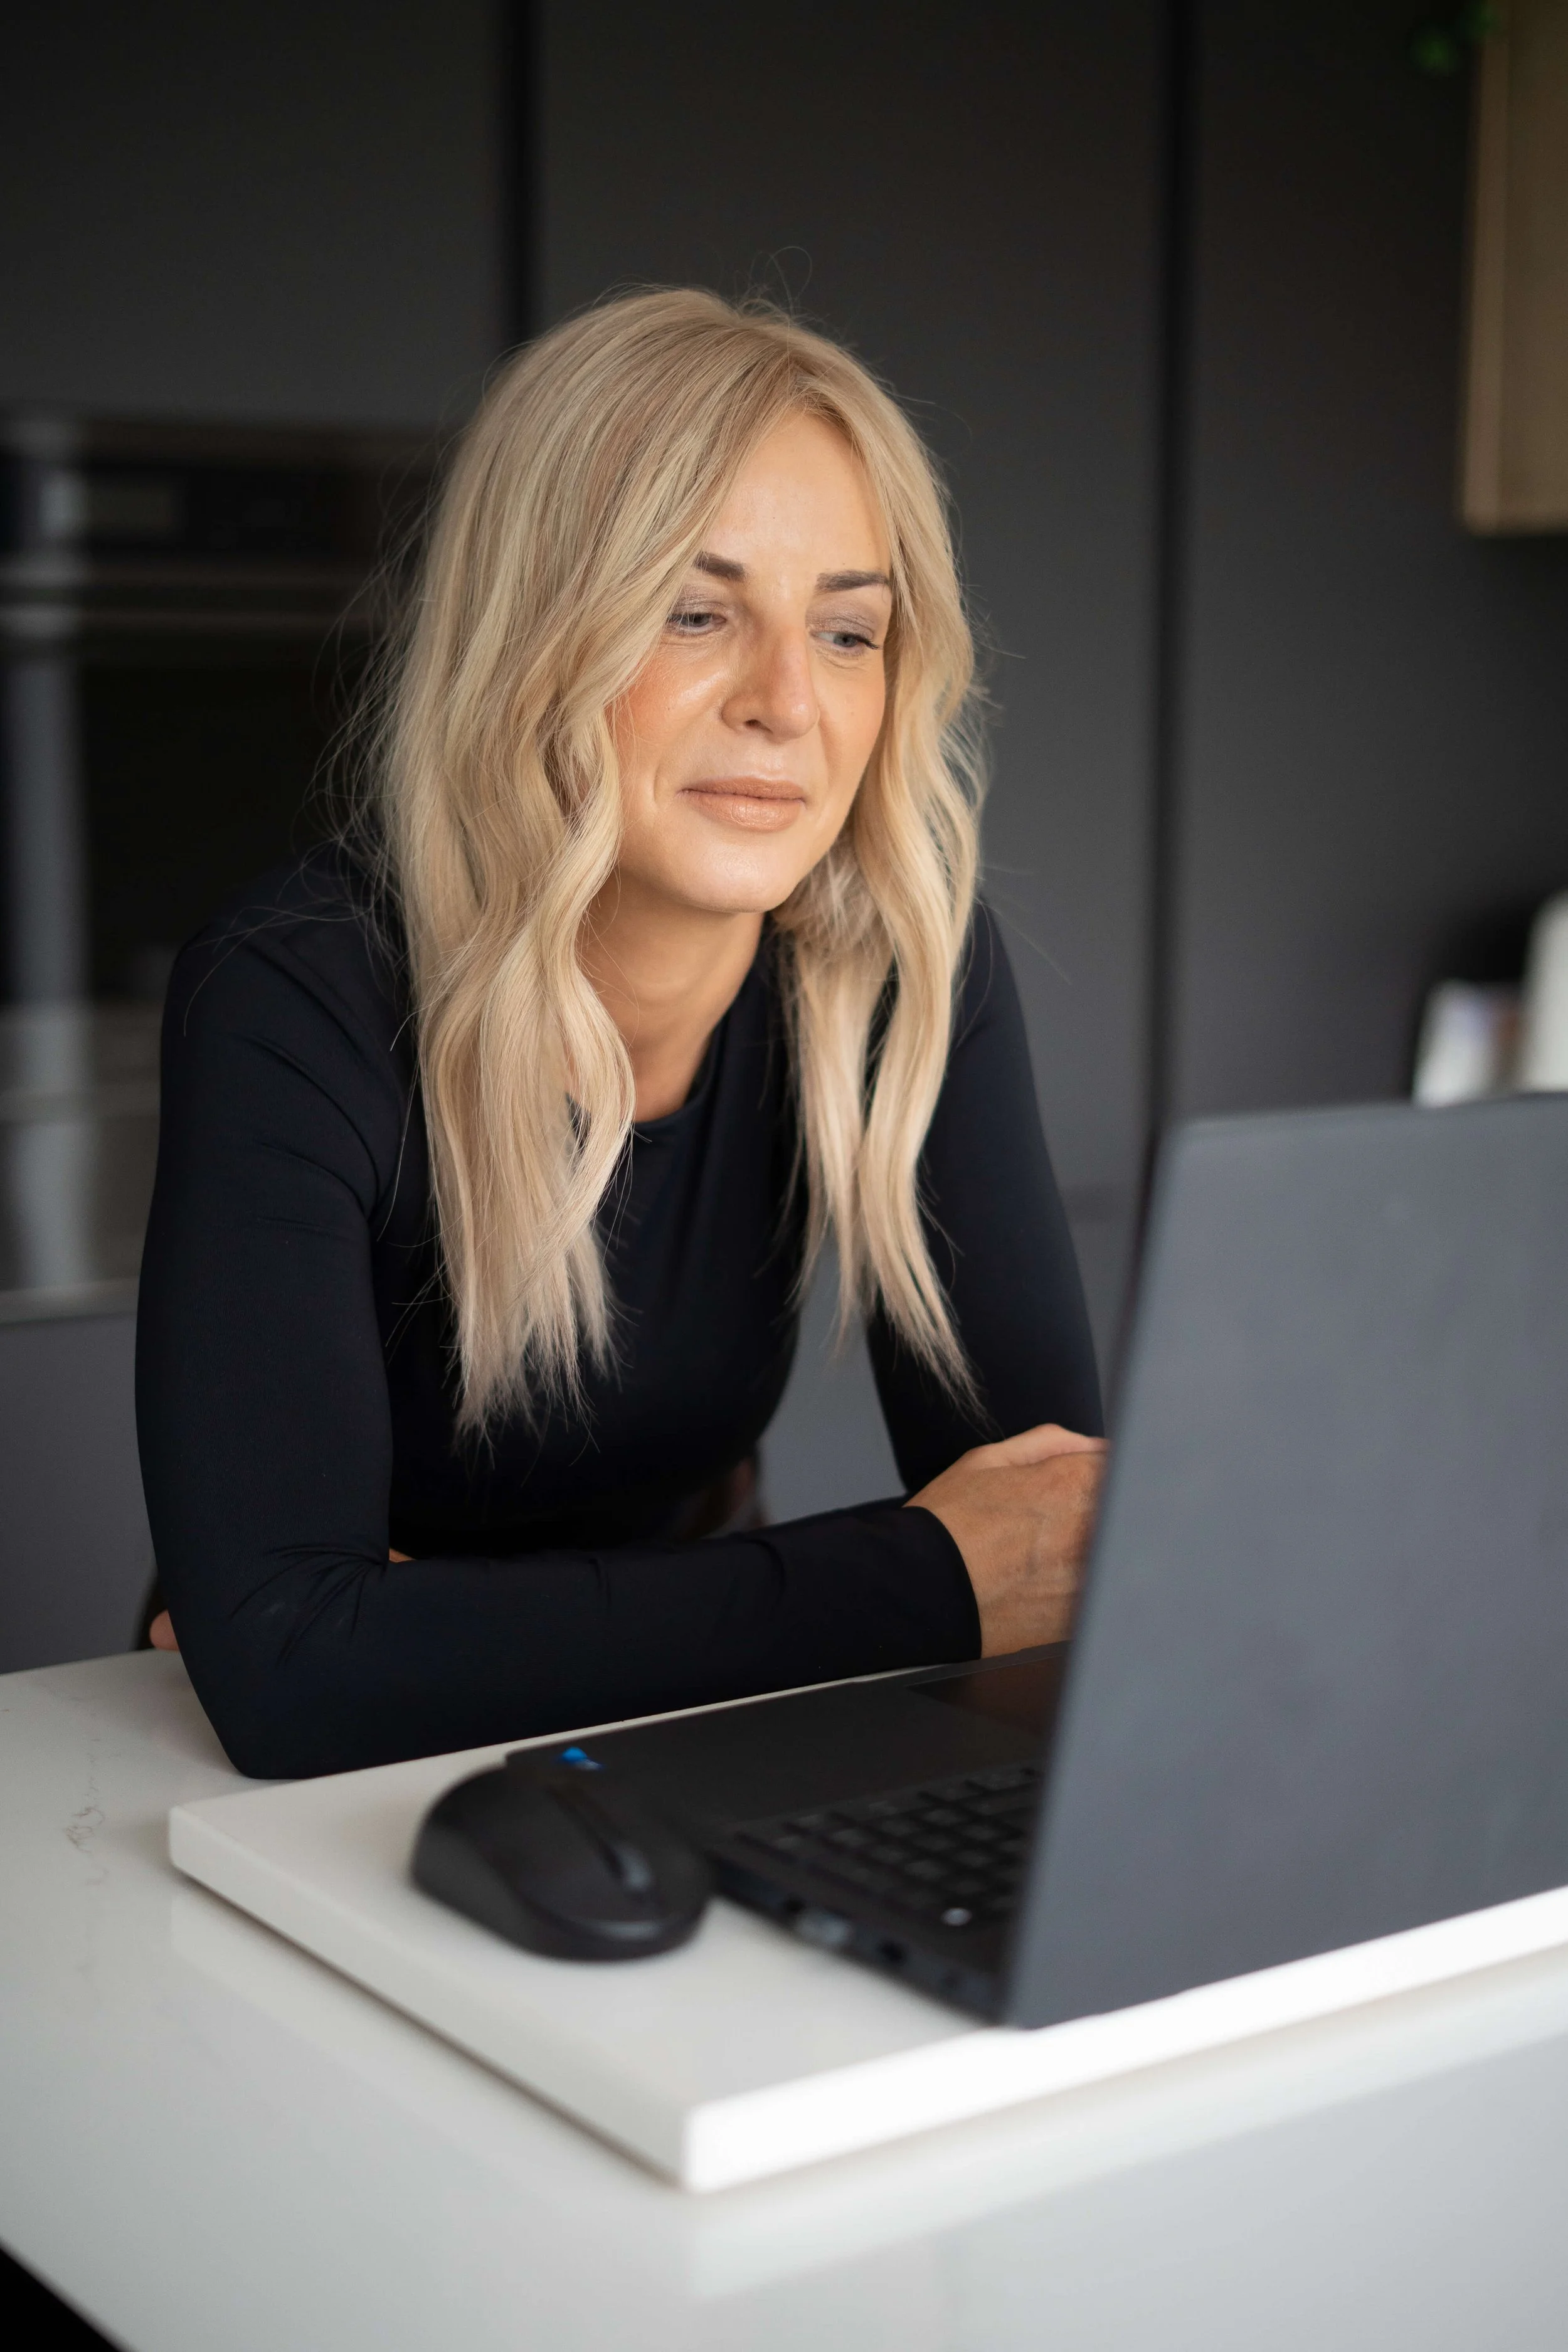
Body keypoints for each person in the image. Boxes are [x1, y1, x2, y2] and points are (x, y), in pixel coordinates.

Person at [135, 290, 1106, 1780]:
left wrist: (440, 1629)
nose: (788, 701)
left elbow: (1055, 1550)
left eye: (846, 631)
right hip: (315, 1806)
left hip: (716, 1727)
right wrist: (918, 1579)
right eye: (694, 612)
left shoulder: (894, 965)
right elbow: (289, 1673)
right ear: (536, 635)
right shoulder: (297, 990)